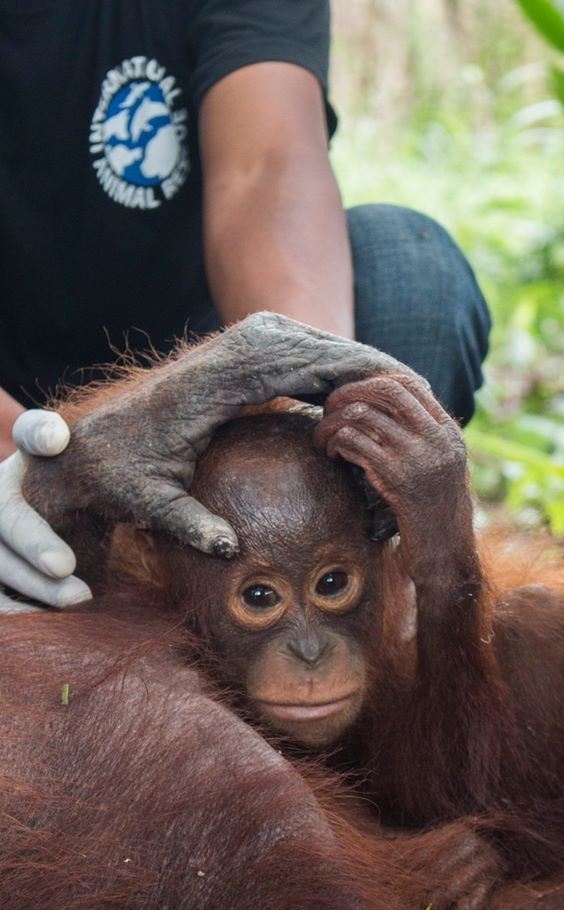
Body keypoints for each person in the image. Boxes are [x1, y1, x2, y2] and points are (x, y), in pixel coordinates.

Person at [0, 1, 490, 609]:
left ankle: (365, 583)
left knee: (411, 270)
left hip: (213, 382)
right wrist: (54, 475)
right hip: (26, 418)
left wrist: (302, 430)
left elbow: (265, 167)